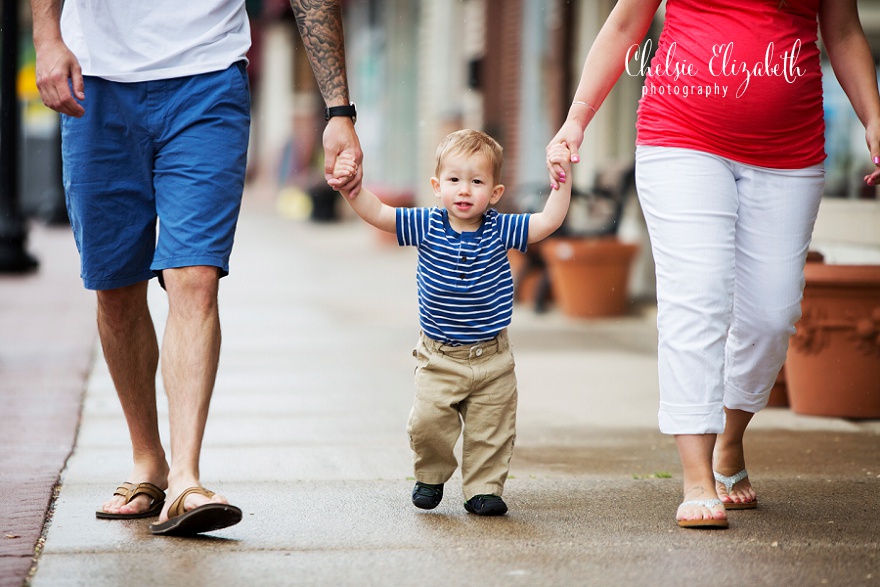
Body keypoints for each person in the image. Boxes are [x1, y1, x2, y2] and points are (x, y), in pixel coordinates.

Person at [31, 0, 362, 535]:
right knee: (115, 287)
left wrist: (338, 111)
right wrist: (46, 37)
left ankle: (186, 477)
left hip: (207, 79)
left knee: (195, 277)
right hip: (95, 82)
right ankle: (149, 462)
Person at [547, 0, 880, 529]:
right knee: (696, 297)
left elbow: (841, 31)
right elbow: (625, 23)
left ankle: (730, 439)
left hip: (789, 152)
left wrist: (873, 116)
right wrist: (577, 119)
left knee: (771, 316)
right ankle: (696, 476)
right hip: (682, 137)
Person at [330, 130, 573, 515]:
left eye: (476, 182)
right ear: (437, 186)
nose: (464, 190)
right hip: (439, 357)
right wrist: (352, 190)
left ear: (494, 193)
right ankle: (431, 474)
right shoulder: (427, 224)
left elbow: (548, 221)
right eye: (454, 180)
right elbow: (379, 213)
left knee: (491, 431)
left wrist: (562, 182)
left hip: (492, 357)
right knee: (428, 423)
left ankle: (483, 489)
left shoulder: (500, 228)